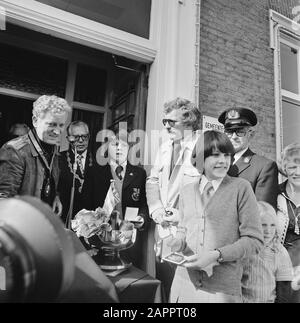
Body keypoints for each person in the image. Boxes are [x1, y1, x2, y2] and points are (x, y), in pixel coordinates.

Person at [169, 130, 263, 303]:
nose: (223, 161)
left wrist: (216, 255)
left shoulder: (241, 188)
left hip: (221, 291)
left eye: (227, 155)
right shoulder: (187, 190)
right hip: (183, 285)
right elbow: (183, 229)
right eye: (215, 155)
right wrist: (176, 242)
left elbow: (254, 240)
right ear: (199, 158)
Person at [146, 97, 201, 300]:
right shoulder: (164, 148)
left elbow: (212, 191)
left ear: (189, 122)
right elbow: (152, 181)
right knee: (166, 288)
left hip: (189, 238)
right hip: (163, 233)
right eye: (164, 121)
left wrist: (184, 214)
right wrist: (156, 209)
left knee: (186, 294)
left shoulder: (203, 148)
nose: (167, 126)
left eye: (172, 121)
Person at [83, 130, 149, 270]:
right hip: (101, 241)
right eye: (115, 145)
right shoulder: (93, 171)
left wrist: (142, 218)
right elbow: (85, 206)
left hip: (128, 241)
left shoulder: (139, 174)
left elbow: (143, 204)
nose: (119, 148)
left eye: (124, 145)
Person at [0, 95, 71, 214]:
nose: (57, 131)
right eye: (52, 124)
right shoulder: (14, 150)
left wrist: (55, 196)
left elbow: (48, 182)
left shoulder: (54, 150)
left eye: (61, 125)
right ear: (35, 121)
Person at [218, 108, 278, 209]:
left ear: (251, 134)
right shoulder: (215, 162)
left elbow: (263, 214)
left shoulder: (264, 166)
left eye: (240, 132)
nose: (233, 137)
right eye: (229, 131)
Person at [242, 201, 293, 303]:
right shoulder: (243, 248)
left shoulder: (280, 252)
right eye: (263, 225)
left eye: (272, 225)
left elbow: (284, 289)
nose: (268, 231)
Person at [58, 121, 95, 226]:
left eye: (84, 137)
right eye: (76, 137)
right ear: (69, 139)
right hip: (65, 219)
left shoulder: (98, 161)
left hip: (90, 223)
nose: (81, 141)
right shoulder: (59, 159)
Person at [277, 142, 300, 302]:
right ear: (285, 169)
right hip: (281, 264)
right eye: (292, 167)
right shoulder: (275, 193)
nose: (297, 172)